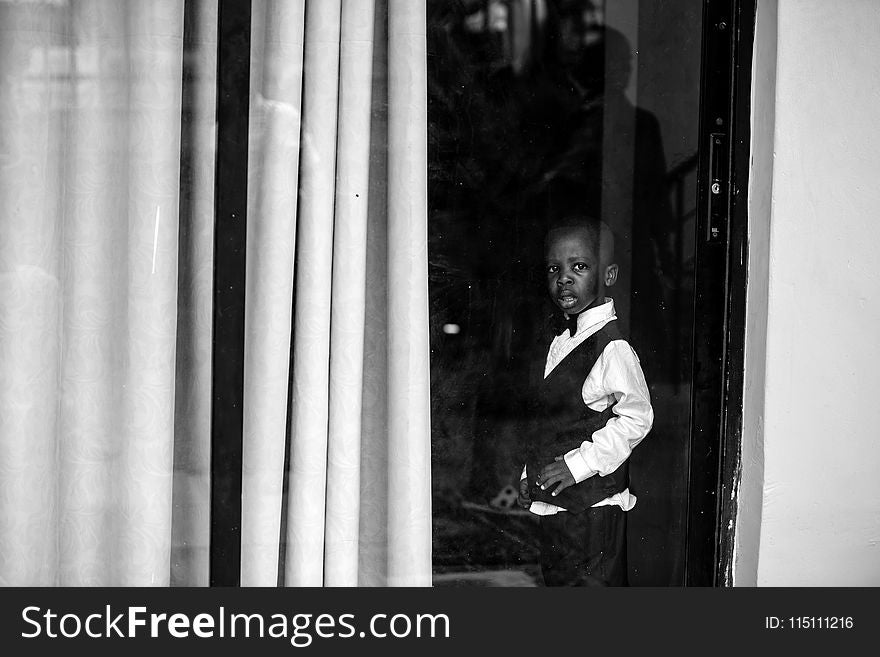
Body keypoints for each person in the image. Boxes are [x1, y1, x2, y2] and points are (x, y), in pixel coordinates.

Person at [517, 218, 653, 586]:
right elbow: (554, 420)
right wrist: (532, 475)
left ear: (608, 275)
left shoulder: (612, 347)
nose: (564, 277)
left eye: (579, 266)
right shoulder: (560, 342)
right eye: (553, 268)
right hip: (560, 511)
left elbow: (636, 419)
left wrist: (579, 464)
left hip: (592, 514)